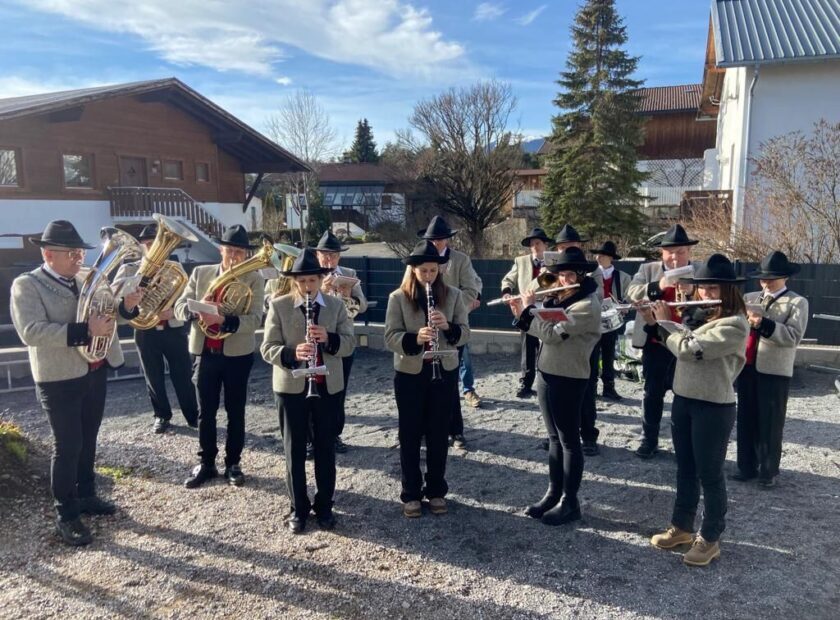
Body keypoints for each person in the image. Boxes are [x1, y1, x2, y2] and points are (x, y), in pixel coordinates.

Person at [10, 220, 142, 546]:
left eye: (80, 251)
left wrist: (127, 305)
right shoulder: (27, 285)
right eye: (70, 253)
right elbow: (31, 331)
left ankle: (87, 495)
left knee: (88, 438)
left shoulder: (88, 278)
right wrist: (84, 332)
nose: (78, 258)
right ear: (48, 254)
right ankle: (66, 514)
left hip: (94, 370)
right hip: (58, 378)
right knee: (67, 445)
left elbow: (113, 314)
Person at [646, 254, 749, 567]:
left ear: (729, 290)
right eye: (702, 287)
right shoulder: (697, 316)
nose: (705, 293)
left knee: (710, 474)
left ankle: (711, 537)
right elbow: (675, 342)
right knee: (685, 468)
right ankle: (682, 527)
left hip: (713, 407)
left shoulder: (734, 324)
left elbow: (690, 350)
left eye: (713, 287)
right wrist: (657, 323)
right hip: (684, 400)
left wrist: (663, 324)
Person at [261, 248, 355, 534]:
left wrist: (329, 339)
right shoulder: (279, 305)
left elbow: (350, 344)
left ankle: (325, 506)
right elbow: (267, 348)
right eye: (301, 282)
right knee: (294, 450)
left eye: (312, 281)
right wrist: (292, 353)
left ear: (319, 279)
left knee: (326, 449)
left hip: (327, 386)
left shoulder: (336, 307)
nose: (307, 287)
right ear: (294, 282)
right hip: (292, 387)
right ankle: (298, 508)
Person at [507, 247, 601, 526]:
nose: (564, 279)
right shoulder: (560, 295)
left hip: (570, 377)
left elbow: (550, 335)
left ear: (581, 275)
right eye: (560, 274)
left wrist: (527, 311)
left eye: (570, 274)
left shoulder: (586, 305)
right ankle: (553, 493)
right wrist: (534, 296)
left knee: (569, 440)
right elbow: (535, 299)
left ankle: (570, 502)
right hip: (547, 372)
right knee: (553, 438)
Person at [175, 225, 264, 489]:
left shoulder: (254, 279)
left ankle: (233, 463)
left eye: (239, 252)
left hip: (237, 354)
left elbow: (255, 319)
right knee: (206, 412)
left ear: (246, 254)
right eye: (229, 250)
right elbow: (179, 307)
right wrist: (196, 309)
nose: (234, 256)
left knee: (236, 411)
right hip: (205, 352)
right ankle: (206, 463)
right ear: (220, 250)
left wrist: (223, 319)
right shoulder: (201, 274)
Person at [384, 240, 470, 518]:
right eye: (424, 271)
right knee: (409, 434)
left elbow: (466, 333)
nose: (429, 276)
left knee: (437, 433)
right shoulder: (398, 298)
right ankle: (410, 493)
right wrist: (415, 338)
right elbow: (390, 337)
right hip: (410, 373)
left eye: (434, 271)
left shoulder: (454, 295)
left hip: (443, 371)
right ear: (413, 270)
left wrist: (449, 327)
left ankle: (436, 490)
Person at [113, 223, 199, 434]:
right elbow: (116, 300)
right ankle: (161, 415)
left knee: (184, 374)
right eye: (148, 244)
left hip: (173, 329)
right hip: (145, 331)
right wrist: (135, 303)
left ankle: (193, 415)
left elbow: (187, 299)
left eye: (156, 244)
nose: (152, 248)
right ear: (141, 246)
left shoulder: (175, 268)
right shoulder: (128, 269)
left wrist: (174, 311)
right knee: (153, 376)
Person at [733, 251, 809, 488]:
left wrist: (763, 323)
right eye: (763, 277)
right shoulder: (749, 296)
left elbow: (793, 336)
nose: (765, 282)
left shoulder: (797, 302)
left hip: (774, 370)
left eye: (771, 278)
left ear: (785, 277)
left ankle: (768, 470)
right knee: (746, 418)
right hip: (747, 365)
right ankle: (746, 466)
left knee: (770, 421)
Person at [626, 224, 701, 458]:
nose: (675, 257)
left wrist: (691, 291)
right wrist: (658, 286)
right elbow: (631, 293)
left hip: (687, 342)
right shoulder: (648, 269)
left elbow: (713, 299)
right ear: (662, 253)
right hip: (655, 342)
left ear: (689, 252)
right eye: (671, 252)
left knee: (686, 395)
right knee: (652, 394)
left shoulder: (699, 271)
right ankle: (649, 439)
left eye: (680, 252)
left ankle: (684, 443)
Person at [418, 216, 482, 449]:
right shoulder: (420, 259)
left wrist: (450, 312)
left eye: (440, 239)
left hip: (451, 326)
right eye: (433, 239)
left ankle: (456, 430)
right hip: (425, 327)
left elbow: (471, 290)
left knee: (450, 379)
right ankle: (427, 430)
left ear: (447, 240)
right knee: (424, 380)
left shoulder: (460, 260)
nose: (437, 243)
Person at [314, 229, 367, 454]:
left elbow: (361, 306)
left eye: (333, 255)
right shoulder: (311, 273)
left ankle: (334, 435)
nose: (329, 259)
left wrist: (348, 295)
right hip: (316, 338)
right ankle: (311, 438)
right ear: (317, 255)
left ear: (339, 257)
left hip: (342, 339)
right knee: (313, 389)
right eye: (325, 255)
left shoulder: (349, 273)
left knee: (338, 390)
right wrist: (321, 289)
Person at [578, 241, 632, 456]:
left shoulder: (623, 277)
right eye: (598, 255)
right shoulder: (592, 277)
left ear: (611, 258)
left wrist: (624, 306)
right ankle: (592, 384)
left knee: (610, 354)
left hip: (614, 320)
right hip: (595, 320)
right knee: (593, 354)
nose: (599, 258)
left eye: (603, 255)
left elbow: (627, 297)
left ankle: (609, 386)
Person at [501, 228, 553, 398]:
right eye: (531, 244)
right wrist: (507, 292)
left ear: (545, 244)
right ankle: (526, 382)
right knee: (528, 346)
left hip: (548, 305)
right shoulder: (521, 261)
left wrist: (534, 286)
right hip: (527, 307)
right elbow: (508, 279)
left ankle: (548, 381)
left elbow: (550, 281)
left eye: (537, 243)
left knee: (549, 343)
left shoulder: (553, 262)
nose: (534, 247)